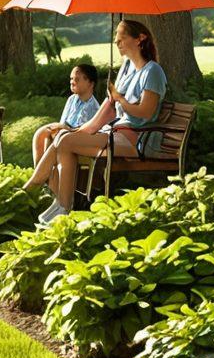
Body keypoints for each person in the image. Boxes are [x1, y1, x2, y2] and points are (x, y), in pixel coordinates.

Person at [27, 20, 167, 225]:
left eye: (122, 36)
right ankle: (61, 204)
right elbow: (107, 110)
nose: (117, 41)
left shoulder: (152, 71)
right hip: (114, 132)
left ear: (140, 39)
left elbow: (146, 112)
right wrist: (79, 129)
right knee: (65, 138)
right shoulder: (127, 68)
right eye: (116, 37)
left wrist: (121, 99)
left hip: (134, 138)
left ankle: (38, 190)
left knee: (65, 141)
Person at [28, 64, 101, 194]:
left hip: (76, 141)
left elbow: (82, 131)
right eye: (71, 78)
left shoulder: (93, 107)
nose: (72, 81)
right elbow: (63, 123)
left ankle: (45, 185)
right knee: (41, 134)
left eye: (77, 79)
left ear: (90, 83)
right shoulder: (72, 100)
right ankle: (44, 179)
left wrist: (61, 129)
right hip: (64, 134)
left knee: (53, 139)